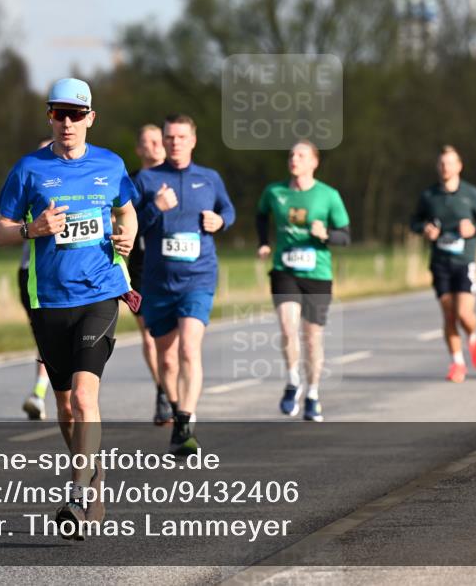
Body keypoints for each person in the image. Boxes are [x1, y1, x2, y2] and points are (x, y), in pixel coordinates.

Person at [0, 78, 137, 538]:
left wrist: (127, 237)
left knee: (83, 396)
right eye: (60, 114)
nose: (68, 122)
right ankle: (92, 473)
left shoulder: (110, 165)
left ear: (91, 118)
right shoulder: (29, 169)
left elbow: (127, 209)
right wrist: (32, 230)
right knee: (63, 406)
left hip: (99, 292)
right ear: (49, 117)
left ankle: (77, 490)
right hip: (48, 300)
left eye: (77, 114)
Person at [133, 114, 235, 455]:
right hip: (158, 282)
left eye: (181, 137)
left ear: (193, 140)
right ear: (163, 141)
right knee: (166, 362)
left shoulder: (209, 179)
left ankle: (186, 420)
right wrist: (154, 209)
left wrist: (220, 221)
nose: (174, 143)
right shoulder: (147, 180)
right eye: (169, 137)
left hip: (199, 277)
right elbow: (130, 228)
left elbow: (229, 210)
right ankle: (177, 411)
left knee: (190, 349)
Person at [257, 140, 350, 421]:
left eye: (301, 155)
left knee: (312, 338)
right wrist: (264, 242)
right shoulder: (275, 191)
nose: (294, 159)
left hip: (318, 275)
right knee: (287, 329)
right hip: (285, 270)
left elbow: (345, 236)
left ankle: (313, 394)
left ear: (314, 162)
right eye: (291, 155)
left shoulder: (329, 195)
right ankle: (292, 381)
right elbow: (261, 215)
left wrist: (326, 235)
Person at [411, 146, 476, 383]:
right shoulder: (429, 196)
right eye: (441, 164)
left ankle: (473, 336)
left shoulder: (470, 193)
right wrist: (424, 229)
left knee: (464, 314)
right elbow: (414, 221)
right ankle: (457, 362)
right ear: (438, 167)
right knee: (448, 316)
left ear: (459, 166)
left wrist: (474, 229)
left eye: (450, 163)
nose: (445, 168)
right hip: (440, 262)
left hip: (464, 261)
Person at [128, 124, 170, 425]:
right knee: (149, 335)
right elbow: (129, 228)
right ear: (139, 149)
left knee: (173, 340)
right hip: (141, 268)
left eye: (158, 141)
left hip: (176, 268)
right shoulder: (130, 184)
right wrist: (155, 207)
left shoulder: (180, 177)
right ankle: (162, 390)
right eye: (147, 142)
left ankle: (173, 389)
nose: (154, 146)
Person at [20, 139, 53, 421]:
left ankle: (42, 390)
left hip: (75, 276)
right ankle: (41, 392)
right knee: (43, 334)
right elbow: (4, 225)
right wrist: (31, 228)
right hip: (31, 273)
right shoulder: (28, 178)